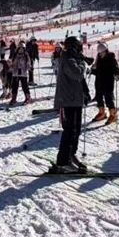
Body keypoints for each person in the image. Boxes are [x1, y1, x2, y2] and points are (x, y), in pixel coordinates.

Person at [51, 36, 91, 174]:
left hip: (75, 99)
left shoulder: (72, 58)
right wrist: (83, 64)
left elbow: (80, 80)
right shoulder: (67, 58)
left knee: (76, 130)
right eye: (78, 47)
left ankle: (70, 154)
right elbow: (77, 74)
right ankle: (63, 161)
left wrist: (85, 93)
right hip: (68, 100)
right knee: (69, 131)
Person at [90, 43, 119, 125]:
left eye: (102, 53)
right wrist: (92, 71)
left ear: (106, 51)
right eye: (99, 53)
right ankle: (102, 112)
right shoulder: (99, 59)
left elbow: (116, 68)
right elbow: (97, 71)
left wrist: (117, 74)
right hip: (99, 81)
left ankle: (113, 114)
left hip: (108, 82)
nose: (101, 54)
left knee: (108, 98)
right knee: (99, 97)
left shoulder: (111, 58)